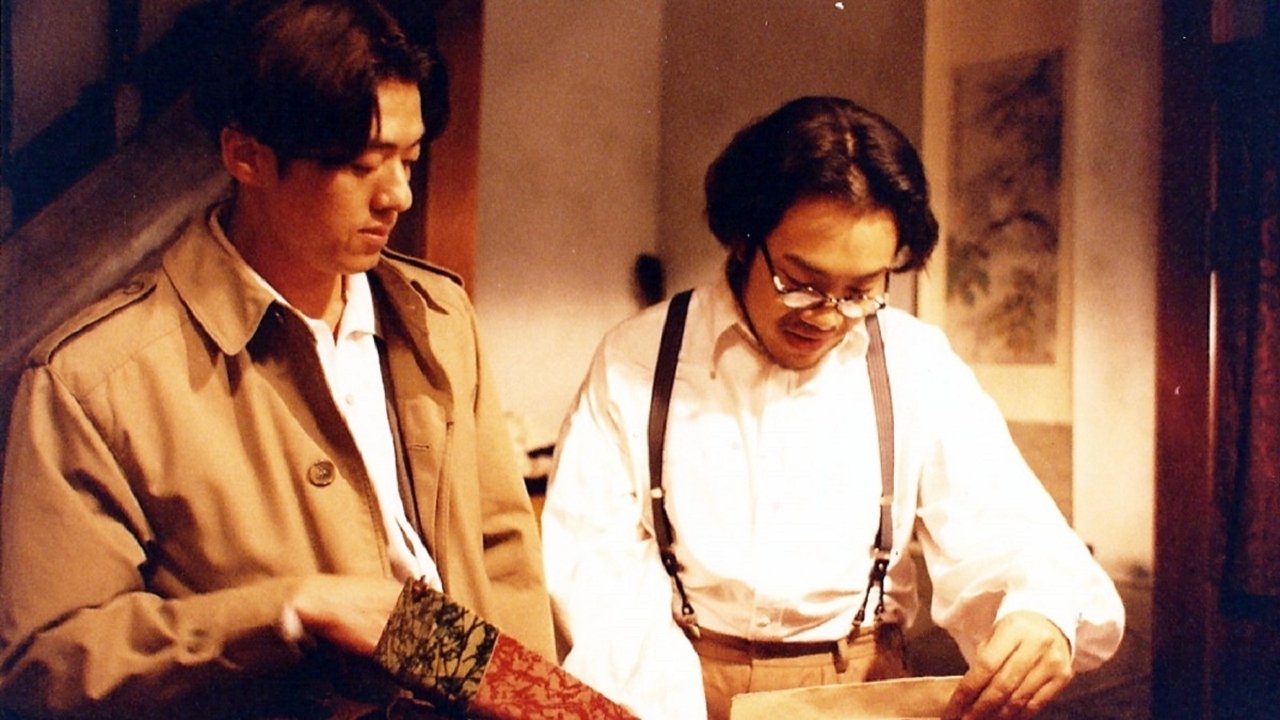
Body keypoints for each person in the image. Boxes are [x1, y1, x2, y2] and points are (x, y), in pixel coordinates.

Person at [0, 0, 553, 716]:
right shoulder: (95, 378)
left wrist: (535, 702)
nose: (397, 195)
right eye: (360, 164)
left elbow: (503, 556)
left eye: (410, 159)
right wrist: (289, 610)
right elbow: (47, 662)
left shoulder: (437, 316)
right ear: (246, 156)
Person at [540, 96, 1125, 720]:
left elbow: (1008, 527)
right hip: (672, 686)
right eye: (801, 283)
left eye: (861, 290)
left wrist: (1038, 612)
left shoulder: (915, 363)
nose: (827, 316)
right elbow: (593, 567)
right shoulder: (638, 358)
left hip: (863, 687)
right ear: (745, 238)